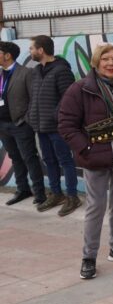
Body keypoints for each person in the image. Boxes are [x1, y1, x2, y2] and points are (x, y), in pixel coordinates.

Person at [58, 43, 113, 280]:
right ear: (96, 63)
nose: (111, 63)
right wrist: (86, 148)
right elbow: (66, 124)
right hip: (96, 158)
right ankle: (89, 257)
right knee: (96, 207)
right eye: (105, 59)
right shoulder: (80, 89)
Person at [27, 35, 80, 216]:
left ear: (41, 50)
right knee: (48, 160)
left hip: (57, 127)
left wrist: (54, 116)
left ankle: (73, 196)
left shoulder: (62, 71)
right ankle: (56, 193)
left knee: (65, 161)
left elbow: (69, 99)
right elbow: (33, 96)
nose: (30, 52)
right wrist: (31, 115)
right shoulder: (35, 71)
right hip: (40, 126)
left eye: (32, 48)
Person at [0, 41, 46, 206]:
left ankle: (40, 193)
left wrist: (26, 120)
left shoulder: (26, 72)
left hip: (20, 124)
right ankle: (23, 189)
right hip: (3, 125)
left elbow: (34, 98)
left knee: (29, 157)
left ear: (7, 55)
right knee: (15, 157)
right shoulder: (0, 74)